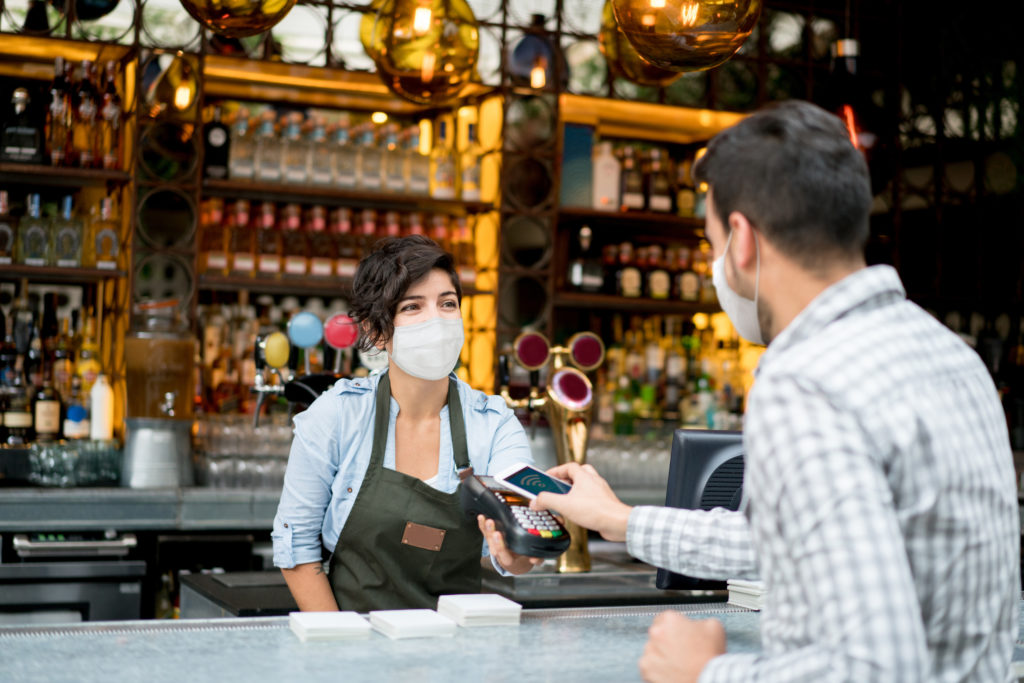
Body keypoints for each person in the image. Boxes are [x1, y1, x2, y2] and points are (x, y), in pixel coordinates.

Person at [531, 101, 1020, 682]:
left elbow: (876, 668)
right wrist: (619, 520)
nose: (717, 265)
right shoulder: (951, 356)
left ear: (740, 240)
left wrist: (705, 673)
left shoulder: (807, 383)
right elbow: (787, 541)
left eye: (711, 242)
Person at [272, 235, 541, 612]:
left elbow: (513, 540)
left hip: (457, 655)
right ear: (377, 331)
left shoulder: (494, 425)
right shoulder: (337, 416)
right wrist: (339, 647)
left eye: (447, 304)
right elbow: (295, 547)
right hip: (353, 649)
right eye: (413, 307)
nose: (437, 320)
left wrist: (518, 553)